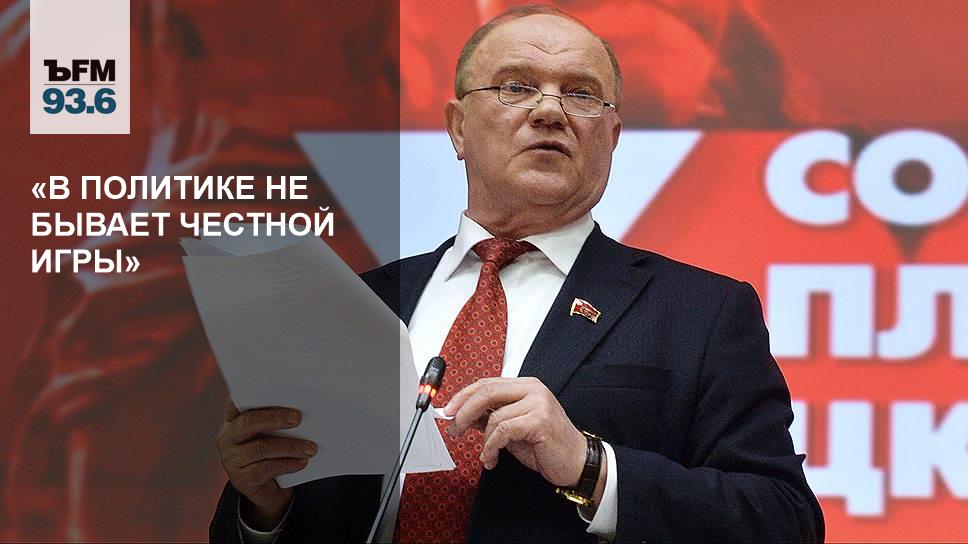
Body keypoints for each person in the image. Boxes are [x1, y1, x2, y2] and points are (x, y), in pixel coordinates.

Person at [210, 5, 824, 542]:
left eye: (581, 94)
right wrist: (263, 507)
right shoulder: (359, 303)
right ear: (457, 127)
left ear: (612, 137)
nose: (550, 110)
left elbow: (783, 520)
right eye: (516, 86)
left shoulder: (701, 312)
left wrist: (589, 466)